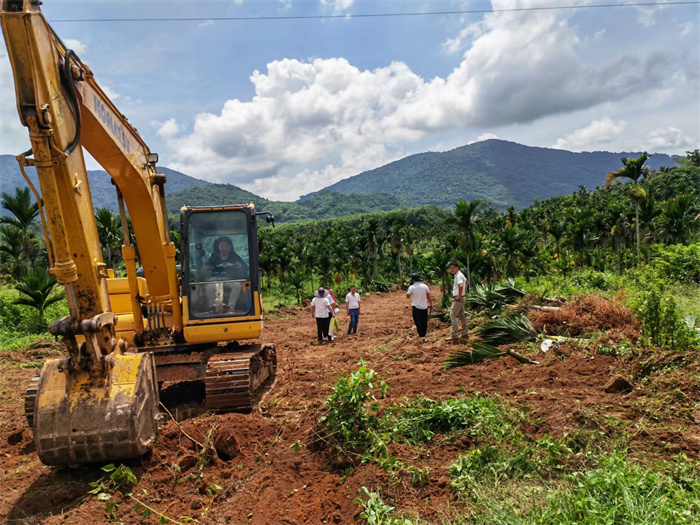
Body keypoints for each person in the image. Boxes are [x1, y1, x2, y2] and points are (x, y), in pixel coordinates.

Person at [448, 261, 468, 341]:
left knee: (452, 315)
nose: (451, 270)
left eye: (452, 268)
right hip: (461, 298)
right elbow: (466, 282)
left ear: (457, 268)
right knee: (462, 316)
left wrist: (459, 295)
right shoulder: (460, 275)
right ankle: (465, 333)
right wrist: (463, 292)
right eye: (450, 268)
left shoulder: (458, 276)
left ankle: (454, 335)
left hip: (458, 299)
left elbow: (461, 285)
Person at [407, 273, 432, 338]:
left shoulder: (411, 287)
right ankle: (424, 333)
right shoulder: (425, 286)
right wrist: (431, 303)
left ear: (413, 280)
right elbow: (428, 296)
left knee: (418, 321)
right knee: (424, 320)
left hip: (416, 306)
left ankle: (421, 334)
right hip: (424, 306)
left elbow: (408, 296)